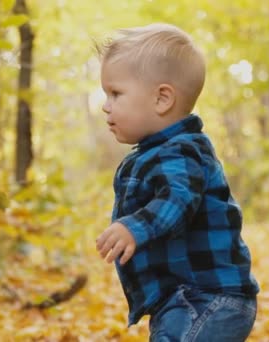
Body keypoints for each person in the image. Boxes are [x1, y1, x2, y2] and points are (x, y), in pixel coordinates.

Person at [94, 23, 260, 341]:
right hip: (183, 300)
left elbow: (178, 198)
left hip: (208, 298)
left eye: (115, 93)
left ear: (162, 99)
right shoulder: (155, 153)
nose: (105, 105)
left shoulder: (181, 152)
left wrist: (134, 227)